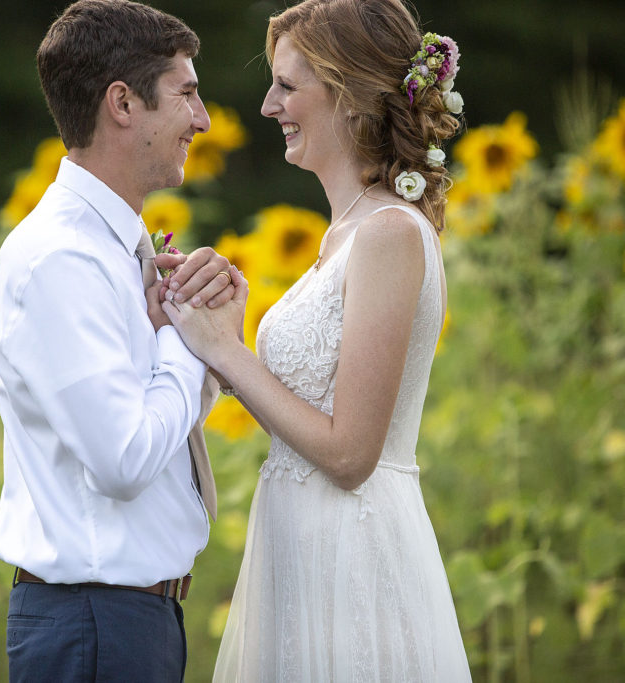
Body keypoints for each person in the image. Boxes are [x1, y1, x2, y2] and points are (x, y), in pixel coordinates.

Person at [161, 0, 472, 679]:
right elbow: (303, 408)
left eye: (287, 86)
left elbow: (352, 451)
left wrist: (227, 352)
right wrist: (220, 332)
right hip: (300, 544)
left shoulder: (389, 234)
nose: (269, 105)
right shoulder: (343, 236)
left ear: (351, 95)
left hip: (352, 557)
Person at [0, 1, 241, 679]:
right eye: (186, 93)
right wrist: (186, 342)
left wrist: (193, 340)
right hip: (95, 628)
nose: (204, 118)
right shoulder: (63, 259)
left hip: (124, 622)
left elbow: (150, 435)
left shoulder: (110, 248)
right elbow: (124, 459)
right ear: (123, 103)